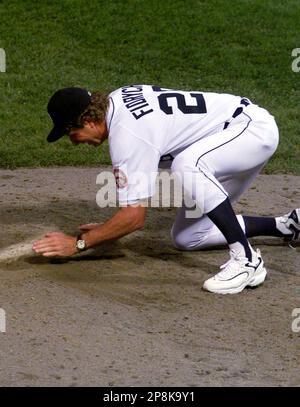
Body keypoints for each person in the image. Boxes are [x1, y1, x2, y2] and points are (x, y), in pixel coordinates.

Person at [33, 85, 300, 294]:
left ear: (87, 121)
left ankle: (247, 260)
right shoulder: (118, 103)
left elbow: (134, 218)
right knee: (189, 237)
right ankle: (286, 225)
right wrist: (106, 232)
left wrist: (77, 244)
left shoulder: (127, 135)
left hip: (249, 132)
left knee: (187, 165)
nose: (74, 143)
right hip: (231, 142)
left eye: (71, 134)